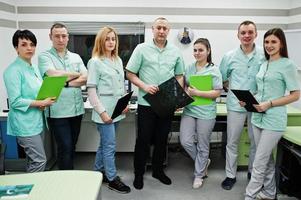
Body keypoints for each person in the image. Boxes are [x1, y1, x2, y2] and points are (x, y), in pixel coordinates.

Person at [126, 17, 185, 190]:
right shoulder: (141, 49)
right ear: (153, 29)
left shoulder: (175, 51)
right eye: (158, 27)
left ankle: (158, 171)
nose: (161, 31)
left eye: (164, 28)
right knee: (143, 140)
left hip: (166, 103)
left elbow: (180, 75)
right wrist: (144, 86)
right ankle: (138, 173)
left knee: (162, 139)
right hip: (146, 103)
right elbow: (130, 73)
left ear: (169, 30)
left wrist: (177, 97)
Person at [244, 28, 300, 200]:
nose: (269, 45)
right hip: (257, 117)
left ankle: (250, 196)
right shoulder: (263, 64)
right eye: (267, 42)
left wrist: (270, 103)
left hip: (274, 119)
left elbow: (295, 94)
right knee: (266, 159)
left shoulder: (288, 64)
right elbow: (262, 91)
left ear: (281, 43)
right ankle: (269, 193)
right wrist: (248, 101)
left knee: (259, 162)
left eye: (273, 42)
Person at [219, 20, 265, 190]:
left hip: (257, 104)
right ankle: (230, 175)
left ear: (256, 34)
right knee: (232, 141)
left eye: (250, 32)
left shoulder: (263, 54)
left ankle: (252, 173)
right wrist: (232, 92)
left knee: (256, 141)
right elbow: (222, 79)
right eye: (243, 32)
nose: (246, 35)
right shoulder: (229, 56)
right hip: (235, 104)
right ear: (238, 35)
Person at [3, 30, 55, 172]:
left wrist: (45, 101)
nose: (29, 48)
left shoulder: (35, 68)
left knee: (32, 160)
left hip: (37, 121)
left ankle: (30, 187)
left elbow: (36, 94)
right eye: (24, 44)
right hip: (24, 125)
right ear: (16, 48)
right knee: (40, 160)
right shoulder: (12, 71)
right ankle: (34, 191)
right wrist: (41, 103)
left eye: (32, 44)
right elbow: (15, 101)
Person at [86, 26, 131, 194]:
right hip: (104, 113)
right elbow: (92, 91)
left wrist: (124, 104)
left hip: (117, 111)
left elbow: (120, 86)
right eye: (107, 39)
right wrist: (103, 113)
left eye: (113, 39)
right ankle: (112, 179)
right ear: (101, 41)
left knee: (104, 145)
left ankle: (98, 172)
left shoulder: (118, 60)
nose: (111, 42)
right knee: (110, 146)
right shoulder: (95, 62)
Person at [38, 23, 87, 170]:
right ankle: (67, 179)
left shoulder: (76, 57)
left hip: (77, 110)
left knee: (72, 146)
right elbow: (52, 74)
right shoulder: (44, 56)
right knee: (64, 147)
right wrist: (76, 74)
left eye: (63, 36)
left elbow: (86, 78)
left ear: (68, 38)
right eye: (57, 36)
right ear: (50, 37)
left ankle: (67, 175)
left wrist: (65, 83)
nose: (60, 39)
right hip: (57, 112)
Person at [180, 38, 223, 189]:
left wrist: (197, 92)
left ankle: (199, 175)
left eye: (200, 50)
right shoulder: (189, 67)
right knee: (185, 141)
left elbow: (217, 92)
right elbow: (184, 87)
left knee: (203, 145)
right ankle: (204, 162)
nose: (197, 53)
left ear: (208, 51)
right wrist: (184, 94)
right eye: (195, 50)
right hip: (190, 110)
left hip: (206, 112)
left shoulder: (214, 69)